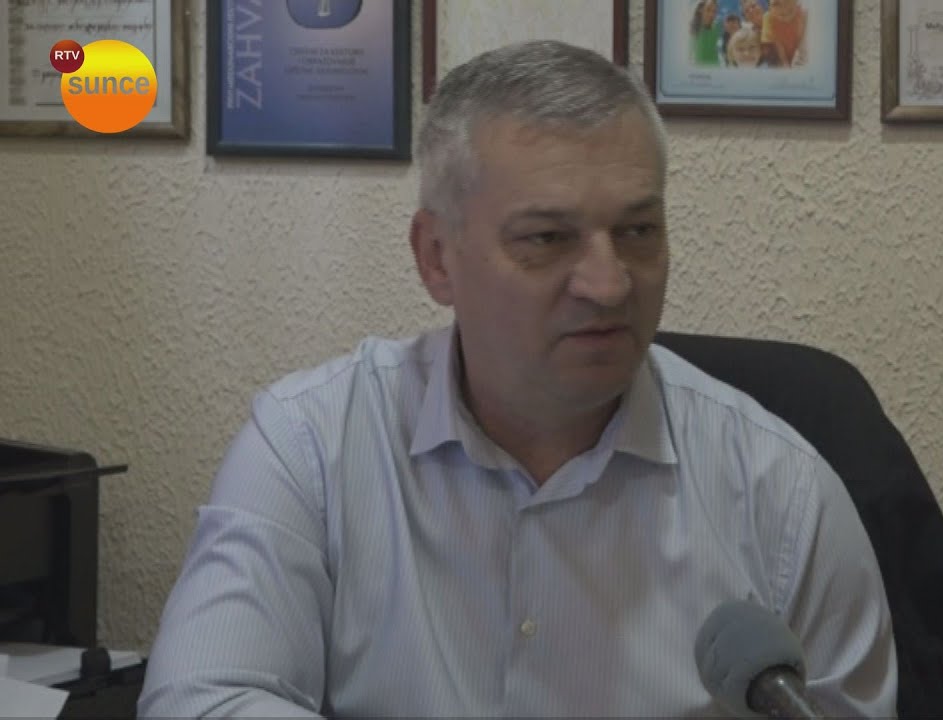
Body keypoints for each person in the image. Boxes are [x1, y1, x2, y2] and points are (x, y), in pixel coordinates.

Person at [138, 40, 896, 718]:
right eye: (547, 239)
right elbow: (201, 697)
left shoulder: (781, 492)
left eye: (638, 231)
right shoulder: (313, 447)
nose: (609, 284)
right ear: (437, 257)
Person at [690, 0, 721, 66]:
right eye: (708, 9)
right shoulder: (691, 29)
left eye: (714, 11)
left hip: (715, 67)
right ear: (700, 9)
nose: (711, 14)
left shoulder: (717, 27)